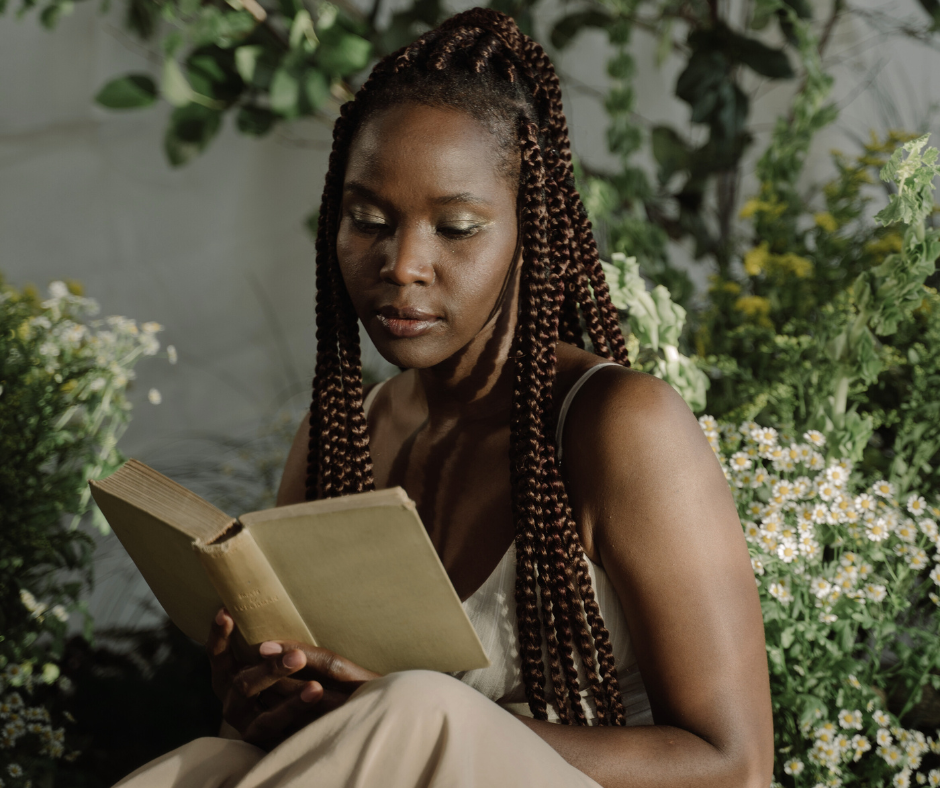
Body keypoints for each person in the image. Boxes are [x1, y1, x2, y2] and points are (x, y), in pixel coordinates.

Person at [115, 8, 773, 788]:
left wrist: (411, 722)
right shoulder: (344, 439)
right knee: (209, 761)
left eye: (457, 228)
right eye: (368, 221)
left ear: (529, 233)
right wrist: (267, 705)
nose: (403, 264)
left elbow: (737, 767)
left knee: (417, 711)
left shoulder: (619, 425)